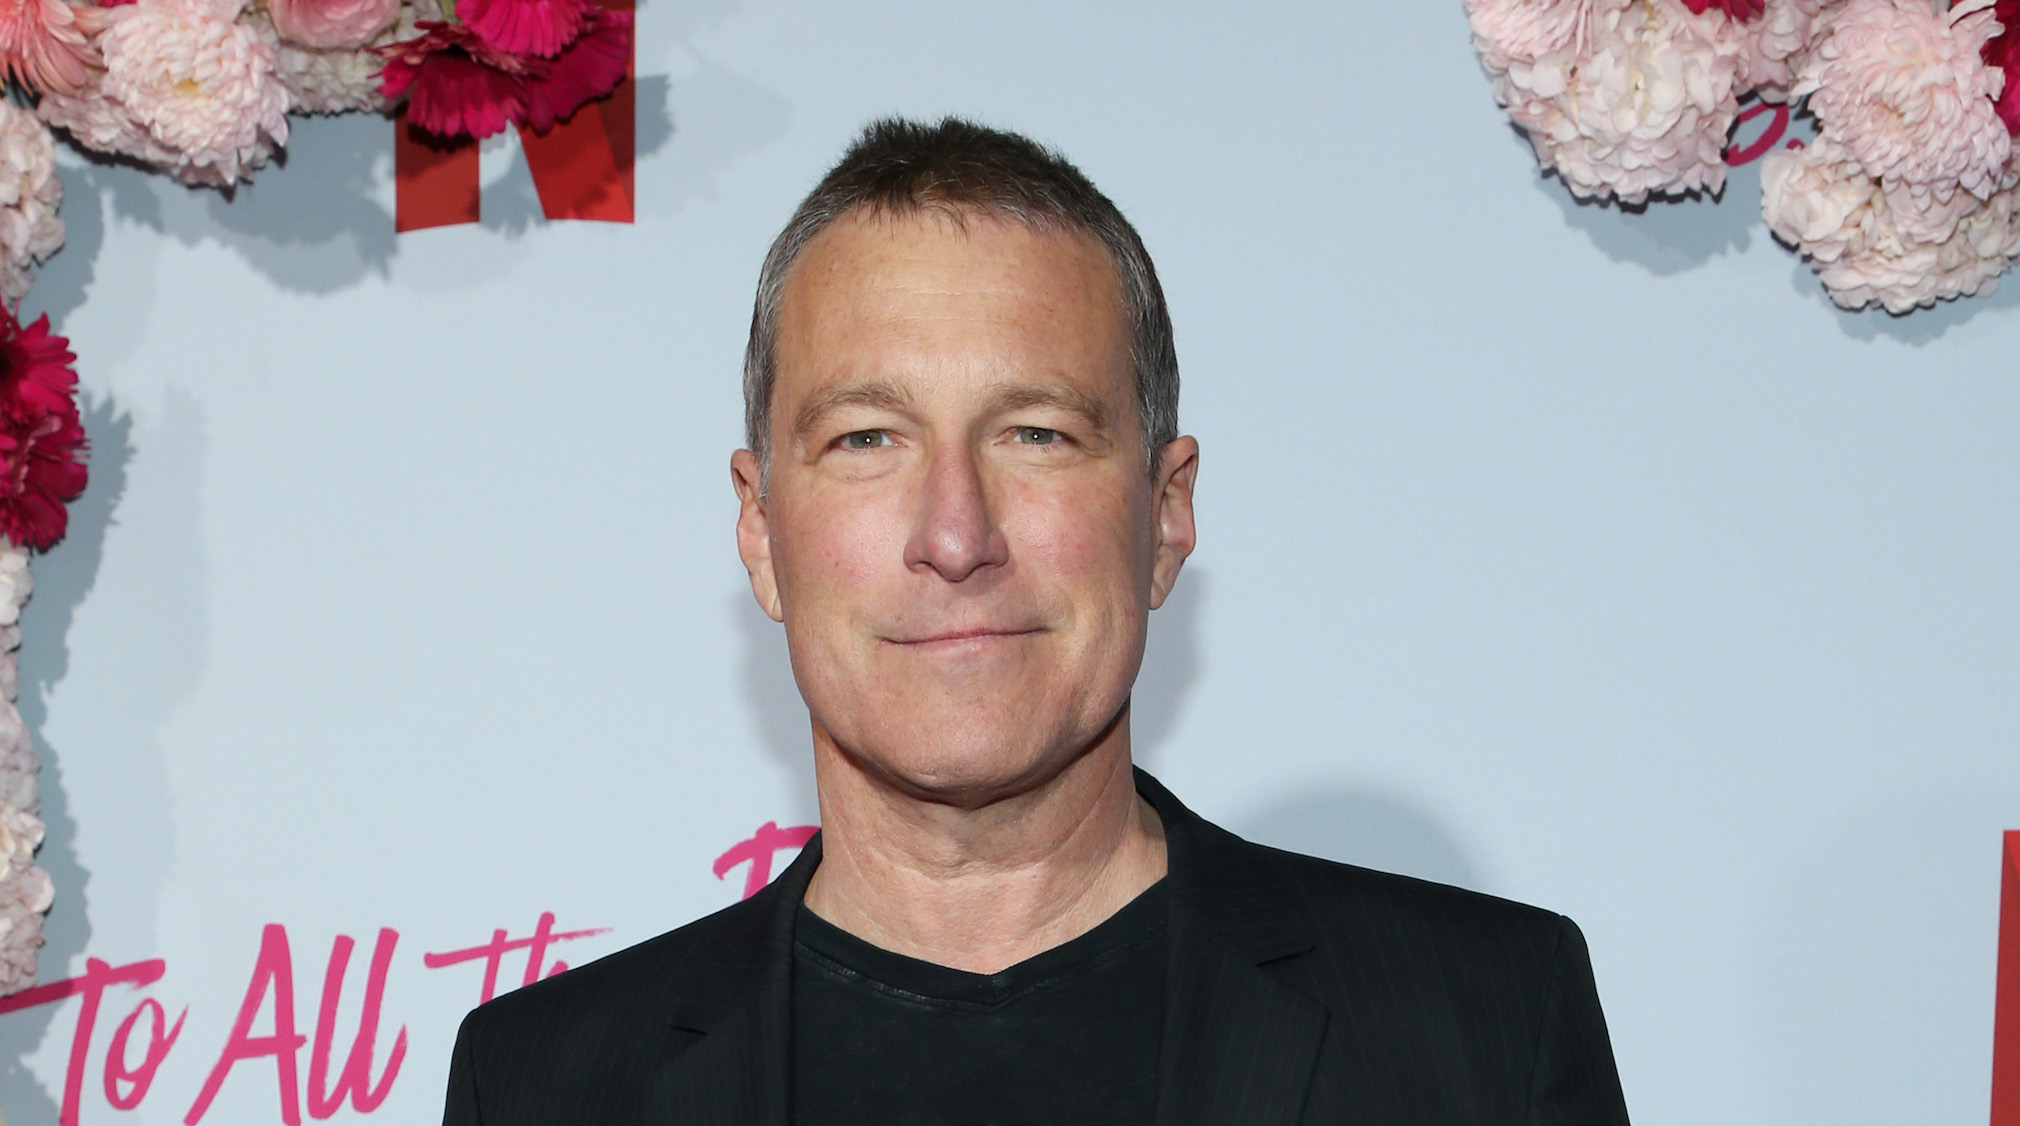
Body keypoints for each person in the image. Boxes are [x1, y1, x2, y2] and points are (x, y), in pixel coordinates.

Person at [441, 116, 1632, 1126]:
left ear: (1164, 514)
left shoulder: (1488, 1025)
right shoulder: (544, 1085)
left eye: (1036, 434)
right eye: (867, 438)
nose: (956, 534)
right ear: (761, 529)